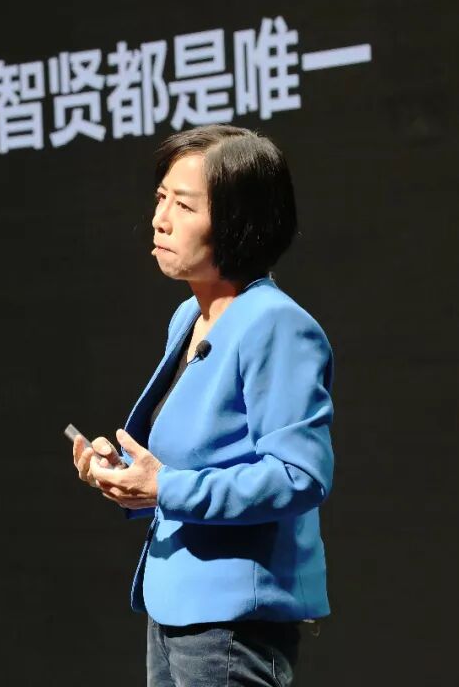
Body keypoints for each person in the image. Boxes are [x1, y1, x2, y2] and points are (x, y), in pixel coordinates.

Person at [72, 124, 334, 687]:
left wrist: (163, 487)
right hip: (174, 607)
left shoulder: (275, 325)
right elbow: (200, 456)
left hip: (233, 619)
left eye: (184, 206)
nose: (159, 219)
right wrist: (125, 475)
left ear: (239, 222)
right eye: (161, 198)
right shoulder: (188, 317)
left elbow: (298, 477)